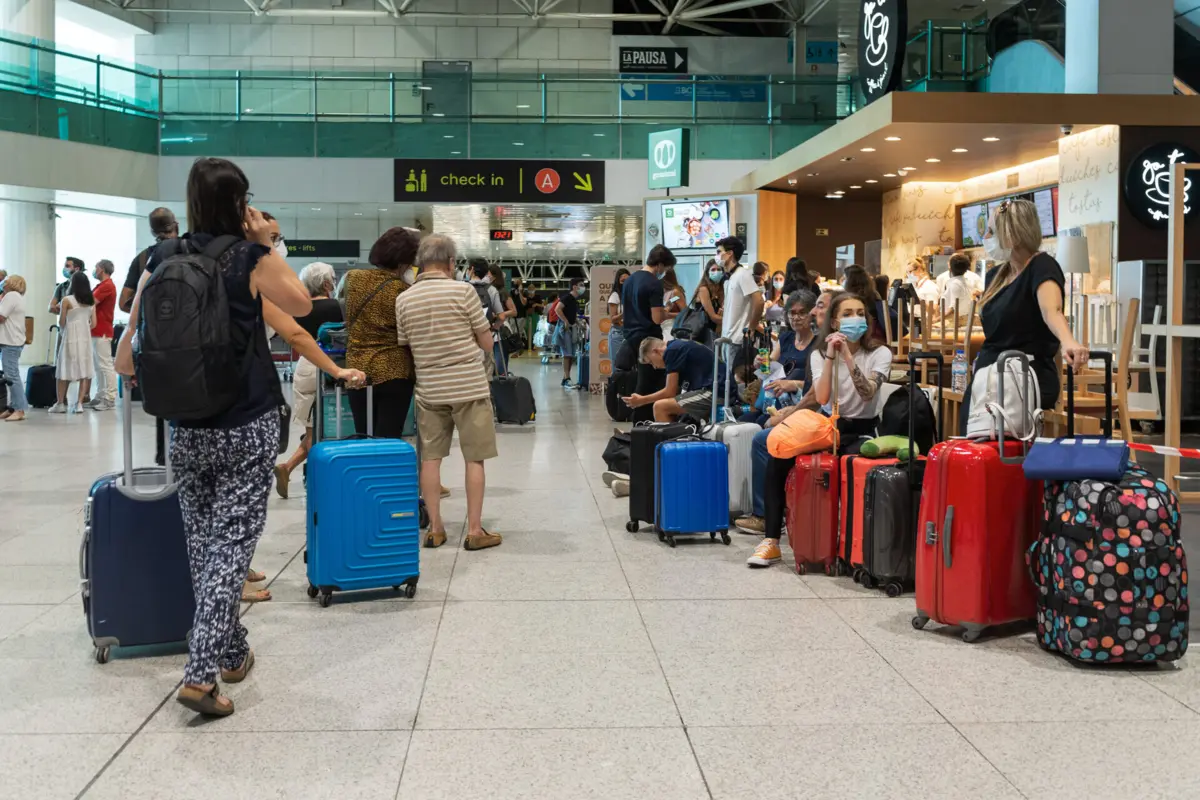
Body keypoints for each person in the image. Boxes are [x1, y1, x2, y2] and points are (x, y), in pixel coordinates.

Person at [115, 157, 313, 718]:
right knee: (231, 546)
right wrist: (264, 240)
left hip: (183, 423)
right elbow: (301, 303)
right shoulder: (248, 256)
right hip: (244, 420)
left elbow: (137, 322)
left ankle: (231, 649)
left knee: (203, 545)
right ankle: (200, 674)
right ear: (241, 201)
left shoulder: (163, 254)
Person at [747, 292, 893, 567]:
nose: (856, 319)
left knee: (855, 465)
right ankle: (771, 541)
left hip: (862, 429)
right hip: (826, 427)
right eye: (848, 314)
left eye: (860, 313)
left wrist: (848, 355)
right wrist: (830, 356)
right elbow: (823, 398)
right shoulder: (819, 354)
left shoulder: (880, 353)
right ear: (835, 322)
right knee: (777, 454)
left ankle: (854, 542)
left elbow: (867, 392)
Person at [395, 234, 502, 552]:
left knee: (430, 459)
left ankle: (436, 529)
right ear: (452, 262)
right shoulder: (463, 292)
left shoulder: (405, 298)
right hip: (469, 386)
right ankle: (474, 530)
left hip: (429, 388)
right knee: (475, 458)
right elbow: (486, 343)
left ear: (421, 263)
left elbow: (406, 345)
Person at [963, 198, 1088, 433]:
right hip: (989, 375)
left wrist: (1069, 341)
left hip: (1026, 374)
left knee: (986, 434)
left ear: (1011, 234)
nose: (986, 238)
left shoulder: (1042, 266)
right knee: (970, 432)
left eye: (991, 231)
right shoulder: (995, 276)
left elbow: (1051, 310)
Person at [735, 288, 828, 534]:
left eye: (802, 313)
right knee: (743, 423)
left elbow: (814, 390)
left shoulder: (819, 347)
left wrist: (791, 384)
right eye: (792, 313)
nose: (796, 318)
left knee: (761, 437)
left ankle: (765, 513)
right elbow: (771, 366)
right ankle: (746, 499)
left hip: (799, 407)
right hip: (776, 401)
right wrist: (760, 364)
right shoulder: (786, 339)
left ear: (813, 315)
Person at [272, 262, 352, 499]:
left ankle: (290, 469)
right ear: (327, 283)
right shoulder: (337, 307)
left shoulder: (299, 309)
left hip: (304, 369)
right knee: (329, 429)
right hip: (330, 366)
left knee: (313, 429)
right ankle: (297, 469)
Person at [342, 227, 419, 438]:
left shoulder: (353, 279)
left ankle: (362, 471)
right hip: (394, 370)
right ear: (405, 261)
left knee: (362, 434)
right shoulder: (403, 291)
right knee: (388, 437)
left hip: (357, 368)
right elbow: (410, 332)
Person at [617, 245, 675, 423]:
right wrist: (673, 313)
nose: (664, 272)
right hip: (649, 338)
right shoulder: (653, 283)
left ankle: (640, 423)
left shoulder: (629, 281)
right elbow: (657, 318)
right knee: (651, 383)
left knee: (642, 379)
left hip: (631, 337)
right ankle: (644, 424)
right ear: (659, 264)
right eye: (665, 268)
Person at [624, 336, 722, 423]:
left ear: (656, 351)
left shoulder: (671, 351)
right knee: (670, 405)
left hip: (716, 392)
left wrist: (642, 400)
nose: (654, 367)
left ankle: (671, 442)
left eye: (651, 362)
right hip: (714, 389)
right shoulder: (677, 346)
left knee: (660, 407)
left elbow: (670, 392)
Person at [50, 271, 96, 414]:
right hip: (85, 338)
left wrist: (69, 327)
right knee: (84, 370)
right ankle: (80, 404)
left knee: (63, 369)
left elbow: (62, 321)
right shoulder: (91, 300)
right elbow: (94, 323)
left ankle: (60, 403)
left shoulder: (67, 300)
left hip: (70, 337)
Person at [122, 208, 180, 314]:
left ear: (153, 232)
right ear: (176, 225)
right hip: (190, 324)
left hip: (154, 326)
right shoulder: (192, 251)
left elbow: (123, 303)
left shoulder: (142, 259)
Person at [717, 236, 764, 361]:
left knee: (734, 379)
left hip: (737, 339)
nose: (717, 256)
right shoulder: (729, 278)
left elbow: (759, 300)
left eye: (719, 252)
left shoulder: (743, 274)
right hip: (727, 337)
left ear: (729, 254)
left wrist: (752, 328)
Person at [84, 259, 118, 412]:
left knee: (105, 365)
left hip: (102, 330)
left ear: (102, 269)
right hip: (96, 330)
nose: (94, 270)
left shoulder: (107, 286)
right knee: (98, 366)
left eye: (96, 267)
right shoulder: (101, 286)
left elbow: (90, 302)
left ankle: (110, 398)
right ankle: (100, 394)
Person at [0, 274, 28, 422]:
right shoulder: (13, 296)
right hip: (11, 341)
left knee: (12, 376)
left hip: (11, 342)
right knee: (10, 375)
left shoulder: (11, 295)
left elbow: (1, 317)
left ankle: (19, 409)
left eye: (6, 280)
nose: (3, 282)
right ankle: (13, 406)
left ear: (13, 283)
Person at [554, 276, 585, 388]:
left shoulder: (574, 300)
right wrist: (566, 321)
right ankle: (567, 378)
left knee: (570, 354)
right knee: (567, 354)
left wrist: (578, 322)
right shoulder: (567, 297)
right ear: (574, 287)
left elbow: (571, 314)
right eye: (581, 285)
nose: (583, 287)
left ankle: (565, 378)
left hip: (571, 328)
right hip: (565, 328)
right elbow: (557, 309)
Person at [939, 252, 978, 321]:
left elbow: (953, 308)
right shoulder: (966, 282)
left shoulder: (955, 284)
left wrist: (937, 319)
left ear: (950, 267)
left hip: (955, 321)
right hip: (962, 318)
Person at [691, 259, 724, 334]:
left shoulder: (720, 290)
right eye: (713, 270)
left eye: (719, 269)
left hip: (715, 331)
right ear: (707, 273)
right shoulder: (704, 290)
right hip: (703, 332)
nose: (716, 272)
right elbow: (713, 317)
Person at [904, 257, 941, 325]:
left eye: (910, 272)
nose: (908, 275)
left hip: (925, 322)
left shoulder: (930, 286)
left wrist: (918, 299)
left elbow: (933, 310)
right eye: (907, 272)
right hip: (914, 321)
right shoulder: (915, 286)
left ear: (919, 270)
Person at [607, 268, 630, 367]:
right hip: (618, 332)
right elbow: (612, 318)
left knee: (629, 365)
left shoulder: (631, 295)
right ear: (618, 281)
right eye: (623, 281)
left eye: (628, 280)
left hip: (630, 331)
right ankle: (616, 383)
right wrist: (625, 313)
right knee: (618, 365)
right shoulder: (615, 295)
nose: (625, 283)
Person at [659, 267, 686, 342]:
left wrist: (668, 314)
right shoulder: (660, 291)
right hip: (661, 327)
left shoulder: (675, 292)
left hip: (672, 327)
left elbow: (685, 313)